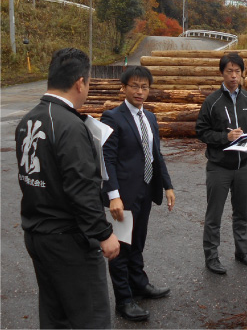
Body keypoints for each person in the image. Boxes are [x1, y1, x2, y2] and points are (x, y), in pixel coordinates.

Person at [15, 47, 120, 329]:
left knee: (55, 316)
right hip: (68, 240)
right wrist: (103, 233)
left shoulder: (28, 120)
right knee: (92, 317)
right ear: (80, 83)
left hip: (37, 233)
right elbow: (81, 189)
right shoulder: (71, 126)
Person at [101, 66, 175, 321]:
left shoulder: (150, 118)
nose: (140, 91)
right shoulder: (112, 117)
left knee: (138, 241)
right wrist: (113, 195)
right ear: (124, 88)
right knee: (120, 247)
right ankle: (124, 300)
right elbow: (106, 159)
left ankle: (139, 285)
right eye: (135, 86)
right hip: (123, 195)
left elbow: (156, 155)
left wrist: (168, 185)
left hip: (145, 190)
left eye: (145, 87)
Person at [195, 53, 247, 275]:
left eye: (238, 72)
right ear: (222, 73)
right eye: (229, 71)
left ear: (242, 73)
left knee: (241, 212)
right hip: (219, 167)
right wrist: (225, 138)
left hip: (244, 165)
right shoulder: (212, 101)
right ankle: (212, 256)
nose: (234, 76)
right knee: (214, 215)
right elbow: (201, 131)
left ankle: (242, 252)